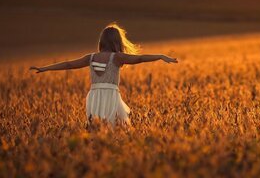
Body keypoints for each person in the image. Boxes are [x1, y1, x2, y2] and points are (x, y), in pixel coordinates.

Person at [29, 23, 178, 127]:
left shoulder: (91, 57)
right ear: (118, 41)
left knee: (95, 126)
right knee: (116, 127)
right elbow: (139, 58)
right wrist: (160, 56)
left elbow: (68, 64)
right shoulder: (118, 57)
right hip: (111, 96)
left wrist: (44, 68)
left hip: (94, 96)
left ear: (101, 41)